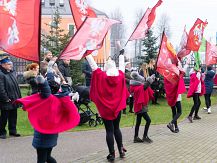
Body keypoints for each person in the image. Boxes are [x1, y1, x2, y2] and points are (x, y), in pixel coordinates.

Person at [16, 73, 80, 163]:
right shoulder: (59, 99)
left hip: (43, 134)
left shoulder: (49, 99)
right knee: (47, 157)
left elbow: (46, 92)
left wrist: (43, 82)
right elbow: (41, 92)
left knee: (42, 159)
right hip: (52, 133)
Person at [87, 50, 128, 162]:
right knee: (117, 128)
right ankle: (121, 151)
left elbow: (93, 65)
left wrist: (87, 53)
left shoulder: (101, 76)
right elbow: (122, 67)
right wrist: (120, 55)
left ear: (106, 67)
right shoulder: (120, 75)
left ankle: (112, 154)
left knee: (109, 131)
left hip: (105, 109)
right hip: (117, 108)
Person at [130, 71, 155, 143]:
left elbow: (145, 86)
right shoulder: (137, 87)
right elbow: (145, 85)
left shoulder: (136, 86)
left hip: (139, 106)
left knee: (138, 122)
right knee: (148, 120)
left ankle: (136, 137)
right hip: (140, 106)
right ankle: (145, 136)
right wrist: (151, 79)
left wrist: (150, 79)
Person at [0, 56, 22, 139]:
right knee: (4, 117)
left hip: (14, 99)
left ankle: (13, 131)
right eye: (8, 64)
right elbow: (1, 88)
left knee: (13, 116)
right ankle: (1, 132)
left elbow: (16, 86)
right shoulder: (1, 74)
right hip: (6, 99)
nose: (10, 65)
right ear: (3, 65)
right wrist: (5, 98)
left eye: (10, 64)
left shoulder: (12, 72)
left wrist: (18, 98)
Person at [166, 61, 187, 133]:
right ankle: (171, 123)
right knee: (179, 112)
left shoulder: (167, 75)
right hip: (176, 95)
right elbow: (182, 72)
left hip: (170, 96)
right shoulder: (175, 75)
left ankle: (176, 127)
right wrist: (187, 63)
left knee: (174, 112)